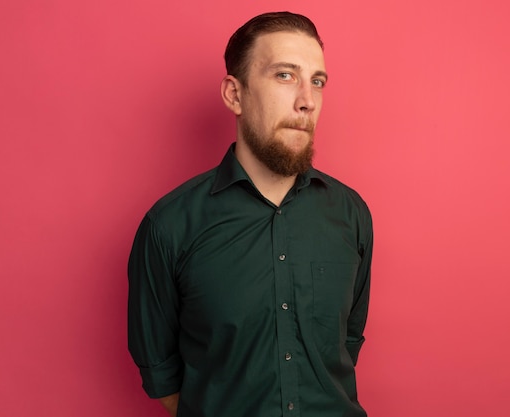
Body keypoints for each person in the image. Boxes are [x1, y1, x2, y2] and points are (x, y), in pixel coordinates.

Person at [128, 11, 373, 417]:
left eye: (317, 81)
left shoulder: (351, 214)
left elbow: (346, 343)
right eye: (284, 75)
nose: (307, 100)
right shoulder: (169, 226)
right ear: (234, 95)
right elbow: (162, 376)